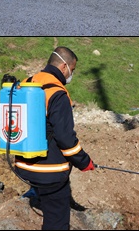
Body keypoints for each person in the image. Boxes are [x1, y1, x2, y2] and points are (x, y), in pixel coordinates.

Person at [15, 47, 95, 230]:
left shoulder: (28, 82)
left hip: (24, 166)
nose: (71, 75)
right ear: (63, 66)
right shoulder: (57, 93)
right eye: (72, 70)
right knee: (57, 222)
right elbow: (65, 138)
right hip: (49, 171)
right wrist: (84, 162)